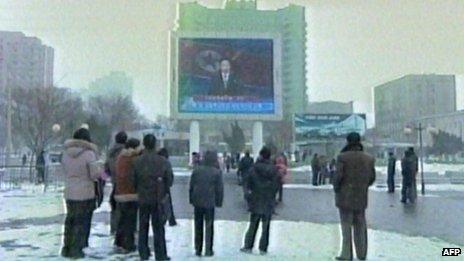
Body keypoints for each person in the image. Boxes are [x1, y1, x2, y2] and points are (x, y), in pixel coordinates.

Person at [333, 132, 376, 261]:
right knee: (361, 225)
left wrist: (337, 188)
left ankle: (346, 254)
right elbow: (372, 178)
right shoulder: (368, 158)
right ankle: (362, 253)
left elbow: (338, 177)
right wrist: (362, 186)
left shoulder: (342, 157)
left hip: (345, 197)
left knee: (346, 227)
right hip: (361, 196)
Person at [61, 128, 100, 259]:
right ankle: (77, 249)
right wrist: (104, 174)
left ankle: (66, 247)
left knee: (70, 220)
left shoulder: (65, 153)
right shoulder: (89, 154)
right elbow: (95, 174)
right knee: (81, 221)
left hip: (69, 191)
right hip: (85, 192)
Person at [133, 134, 173, 261]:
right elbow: (169, 180)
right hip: (158, 198)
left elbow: (133, 180)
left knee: (143, 226)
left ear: (144, 144)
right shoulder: (162, 161)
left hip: (143, 198)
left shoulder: (137, 161)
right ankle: (160, 255)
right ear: (155, 144)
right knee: (158, 228)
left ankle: (143, 252)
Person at [241, 147, 279, 255]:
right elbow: (276, 185)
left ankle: (248, 245)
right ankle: (263, 248)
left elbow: (247, 183)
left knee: (253, 224)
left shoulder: (254, 168)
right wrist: (272, 195)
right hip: (268, 200)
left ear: (261, 155)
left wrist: (248, 196)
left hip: (256, 199)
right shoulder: (273, 169)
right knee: (266, 227)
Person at [189, 151, 224, 257]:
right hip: (210, 201)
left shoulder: (197, 170)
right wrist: (219, 201)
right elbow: (219, 189)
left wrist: (191, 199)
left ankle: (198, 248)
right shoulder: (216, 172)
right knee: (209, 225)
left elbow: (191, 186)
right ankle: (208, 249)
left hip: (197, 201)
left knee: (198, 225)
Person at [114, 138, 140, 253]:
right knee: (130, 220)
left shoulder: (119, 157)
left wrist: (107, 180)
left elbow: (104, 172)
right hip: (131, 193)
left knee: (122, 218)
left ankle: (119, 241)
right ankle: (129, 244)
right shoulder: (133, 159)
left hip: (119, 191)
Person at [105, 131, 127, 235]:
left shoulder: (110, 153)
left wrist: (105, 180)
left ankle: (114, 229)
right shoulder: (127, 153)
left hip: (115, 184)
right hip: (126, 185)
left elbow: (104, 171)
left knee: (114, 208)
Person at [158, 148, 178, 226]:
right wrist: (169, 183)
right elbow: (169, 175)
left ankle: (165, 218)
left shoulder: (155, 161)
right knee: (167, 204)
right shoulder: (166, 162)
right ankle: (170, 219)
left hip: (154, 186)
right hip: (164, 186)